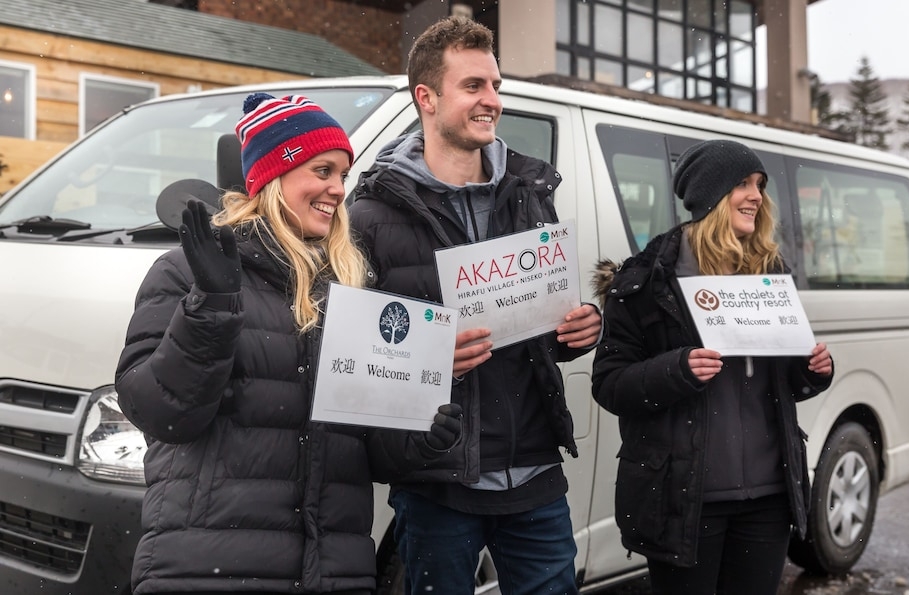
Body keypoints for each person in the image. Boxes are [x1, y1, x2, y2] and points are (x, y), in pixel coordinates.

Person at [348, 15, 603, 595]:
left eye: (495, 87)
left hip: (536, 472)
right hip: (439, 478)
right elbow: (356, 353)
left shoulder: (533, 196)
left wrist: (573, 331)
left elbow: (538, 326)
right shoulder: (369, 217)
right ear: (427, 98)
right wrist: (428, 355)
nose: (492, 101)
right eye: (473, 87)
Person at [116, 93, 384, 594]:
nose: (338, 189)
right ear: (273, 176)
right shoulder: (187, 271)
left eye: (344, 175)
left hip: (333, 570)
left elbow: (365, 446)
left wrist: (421, 432)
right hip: (209, 565)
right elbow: (159, 412)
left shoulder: (350, 286)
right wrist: (212, 308)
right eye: (323, 171)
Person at [590, 139, 835, 595]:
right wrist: (676, 369)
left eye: (759, 184)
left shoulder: (769, 271)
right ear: (710, 195)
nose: (756, 195)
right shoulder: (646, 281)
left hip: (768, 499)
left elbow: (786, 381)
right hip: (685, 499)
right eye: (742, 183)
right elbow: (609, 385)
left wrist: (813, 369)